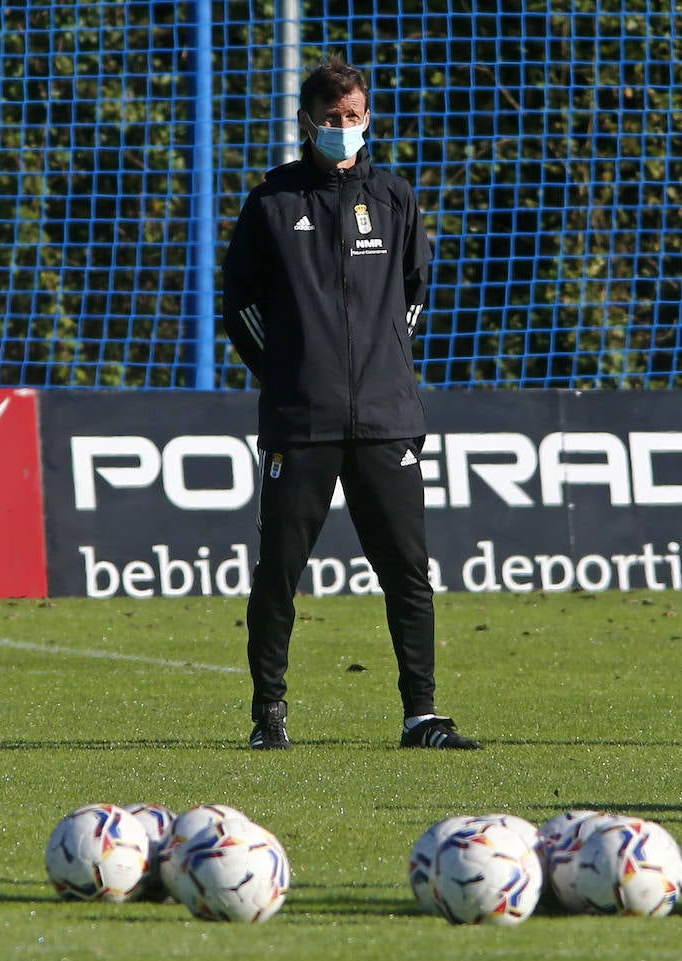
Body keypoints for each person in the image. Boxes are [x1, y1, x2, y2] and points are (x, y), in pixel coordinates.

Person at [222, 54, 480, 752]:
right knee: (278, 572)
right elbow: (239, 304)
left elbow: (413, 294)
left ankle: (421, 714)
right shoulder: (272, 203)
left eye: (355, 117)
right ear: (307, 123)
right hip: (300, 421)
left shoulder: (395, 197)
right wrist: (285, 373)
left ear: (368, 118)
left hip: (386, 421)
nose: (344, 129)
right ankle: (268, 713)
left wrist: (386, 366)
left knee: (408, 572)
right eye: (332, 120)